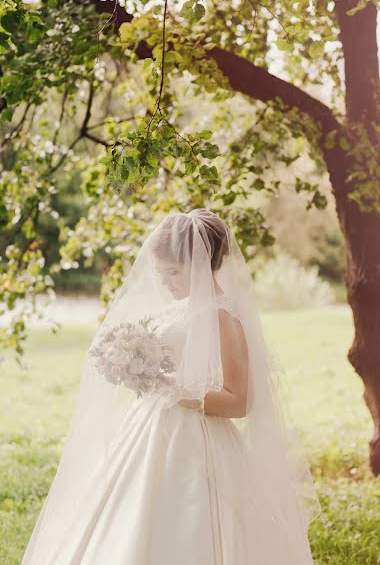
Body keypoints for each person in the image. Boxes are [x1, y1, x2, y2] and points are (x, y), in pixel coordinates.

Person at [21, 208, 320, 564]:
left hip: (196, 440)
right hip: (147, 428)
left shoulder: (224, 317)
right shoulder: (181, 308)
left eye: (172, 273)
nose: (164, 282)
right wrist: (134, 367)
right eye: (162, 273)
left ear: (198, 263)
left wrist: (172, 389)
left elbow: (239, 402)